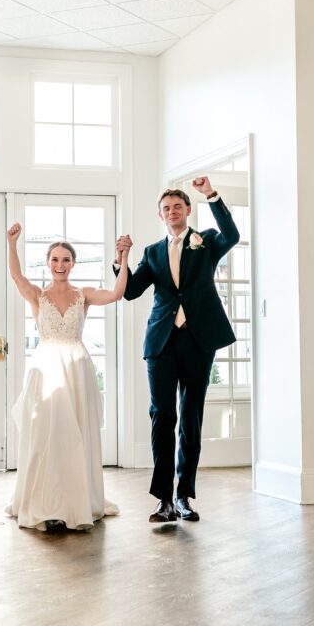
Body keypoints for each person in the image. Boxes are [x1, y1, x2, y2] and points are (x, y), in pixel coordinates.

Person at [116, 177, 240, 523]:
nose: (172, 212)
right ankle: (164, 500)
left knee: (191, 418)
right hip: (161, 342)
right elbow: (130, 291)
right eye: (166, 208)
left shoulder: (208, 242)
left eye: (177, 206)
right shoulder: (153, 252)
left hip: (199, 340)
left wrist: (212, 195)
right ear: (160, 215)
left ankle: (185, 496)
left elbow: (232, 235)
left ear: (187, 210)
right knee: (162, 416)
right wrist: (120, 259)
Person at [5, 224, 129, 531]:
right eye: (55, 259)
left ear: (73, 264)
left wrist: (123, 257)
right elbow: (16, 277)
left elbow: (116, 293)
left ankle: (76, 502)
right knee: (46, 433)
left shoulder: (82, 295)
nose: (60, 265)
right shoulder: (37, 295)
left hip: (75, 367)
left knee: (75, 433)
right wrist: (11, 243)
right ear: (48, 263)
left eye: (66, 259)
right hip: (47, 367)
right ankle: (46, 504)